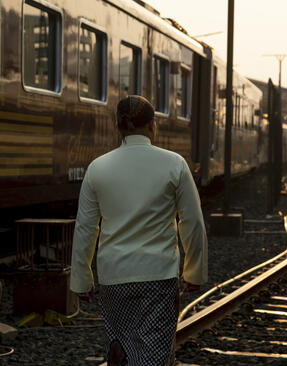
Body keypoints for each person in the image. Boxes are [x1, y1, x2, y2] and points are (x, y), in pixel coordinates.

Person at [70, 95, 208, 366]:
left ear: (117, 127)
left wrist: (81, 279)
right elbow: (192, 222)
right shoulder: (174, 164)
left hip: (113, 278)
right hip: (159, 276)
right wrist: (194, 271)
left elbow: (86, 228)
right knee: (155, 356)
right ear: (152, 125)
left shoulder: (98, 167)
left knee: (120, 352)